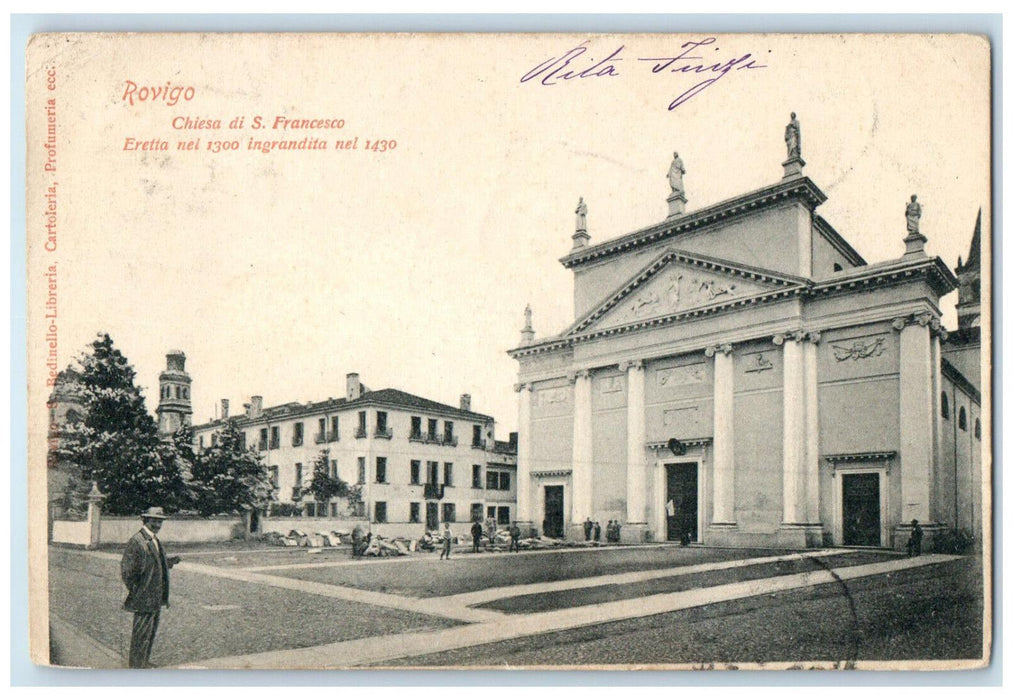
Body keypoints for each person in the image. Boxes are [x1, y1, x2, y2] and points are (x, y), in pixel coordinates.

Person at [120, 506, 181, 669]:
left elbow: (153, 563)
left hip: (155, 596)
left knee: (150, 632)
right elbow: (127, 571)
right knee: (141, 633)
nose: (158, 525)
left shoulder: (153, 539)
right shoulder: (137, 540)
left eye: (160, 522)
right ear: (146, 520)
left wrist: (168, 562)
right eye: (154, 521)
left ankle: (144, 662)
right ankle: (136, 666)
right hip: (144, 597)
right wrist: (138, 590)